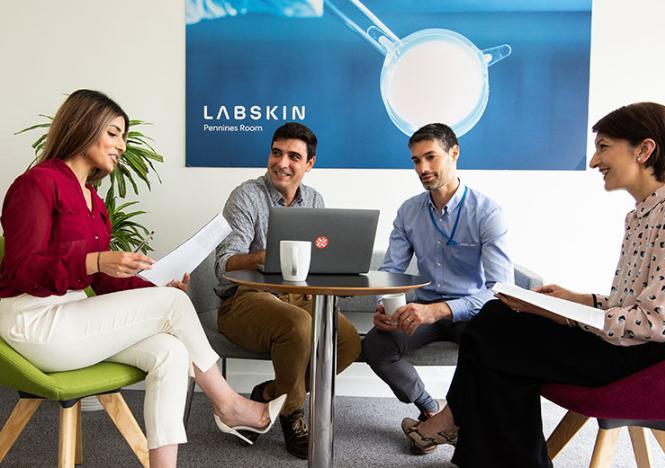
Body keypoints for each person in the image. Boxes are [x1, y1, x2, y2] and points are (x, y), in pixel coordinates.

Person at [401, 102, 665, 467]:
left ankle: (455, 417)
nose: (594, 161)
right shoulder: (644, 212)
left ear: (644, 150)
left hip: (657, 364)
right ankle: (466, 427)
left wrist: (566, 317)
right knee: (496, 332)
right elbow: (634, 304)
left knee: (494, 334)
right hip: (631, 343)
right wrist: (577, 299)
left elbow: (659, 324)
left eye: (604, 147)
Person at [0, 89, 286, 468]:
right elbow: (22, 270)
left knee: (171, 351)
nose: (121, 145)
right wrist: (94, 261)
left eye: (124, 136)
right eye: (114, 133)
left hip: (73, 318)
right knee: (172, 309)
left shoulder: (94, 201)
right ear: (85, 126)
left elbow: (105, 285)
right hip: (33, 323)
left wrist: (155, 289)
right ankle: (229, 404)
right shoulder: (37, 184)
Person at [214, 122, 361, 459]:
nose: (282, 163)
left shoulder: (314, 200)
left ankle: (270, 393)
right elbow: (223, 264)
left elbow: (318, 260)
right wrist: (264, 257)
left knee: (348, 341)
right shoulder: (246, 196)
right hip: (245, 298)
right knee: (299, 325)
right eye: (276, 153)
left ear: (309, 164)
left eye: (294, 156)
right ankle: (293, 412)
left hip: (299, 297)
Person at [362, 123, 513, 437]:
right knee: (376, 345)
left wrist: (441, 310)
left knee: (492, 340)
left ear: (454, 153)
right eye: (416, 160)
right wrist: (384, 307)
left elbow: (501, 290)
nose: (423, 168)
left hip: (470, 310)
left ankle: (457, 421)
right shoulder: (408, 212)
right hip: (422, 309)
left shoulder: (487, 213)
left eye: (430, 157)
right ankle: (431, 411)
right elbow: (391, 270)